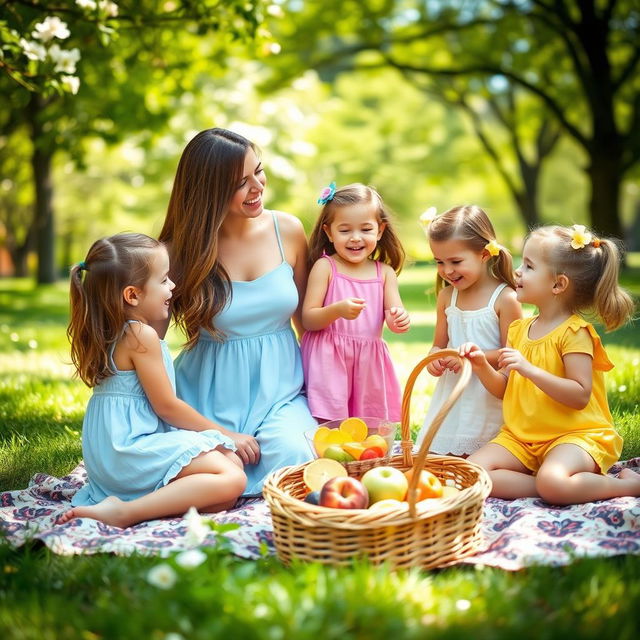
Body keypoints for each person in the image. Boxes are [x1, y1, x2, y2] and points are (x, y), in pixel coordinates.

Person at [158, 128, 315, 496]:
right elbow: (149, 342)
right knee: (218, 470)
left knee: (298, 456)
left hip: (282, 392)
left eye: (258, 172)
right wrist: (206, 429)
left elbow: (309, 323)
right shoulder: (178, 252)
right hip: (203, 398)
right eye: (239, 183)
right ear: (208, 190)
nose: (257, 187)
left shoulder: (287, 230)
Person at [59, 233, 248, 528]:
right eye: (163, 280)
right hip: (128, 449)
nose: (172, 286)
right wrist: (228, 434)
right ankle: (126, 512)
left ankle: (143, 501)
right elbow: (167, 407)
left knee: (226, 481)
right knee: (232, 477)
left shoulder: (115, 328)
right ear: (132, 295)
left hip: (113, 453)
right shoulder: (139, 336)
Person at [461, 224, 640, 504]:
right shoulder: (519, 329)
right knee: (472, 472)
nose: (518, 271)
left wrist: (529, 369)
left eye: (529, 266)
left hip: (574, 437)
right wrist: (482, 365)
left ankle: (625, 486)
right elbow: (504, 389)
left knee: (553, 481)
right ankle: (547, 484)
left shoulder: (574, 333)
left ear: (558, 284)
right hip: (522, 439)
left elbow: (580, 395)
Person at [416, 205, 522, 456]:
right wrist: (435, 358)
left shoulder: (505, 299)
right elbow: (438, 345)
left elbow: (513, 355)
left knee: (480, 457)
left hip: (487, 395)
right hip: (453, 396)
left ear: (484, 254)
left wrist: (473, 357)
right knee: (444, 461)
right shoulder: (446, 296)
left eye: (456, 261)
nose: (447, 270)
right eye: (439, 262)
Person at [300, 182, 410, 423]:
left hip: (368, 364)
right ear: (329, 232)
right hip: (329, 361)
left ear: (380, 231)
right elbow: (308, 319)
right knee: (330, 426)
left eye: (366, 229)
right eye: (345, 230)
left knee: (367, 425)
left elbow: (395, 316)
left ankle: (365, 460)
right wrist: (337, 310)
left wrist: (398, 319)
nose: (356, 238)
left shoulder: (385, 273)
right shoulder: (325, 267)